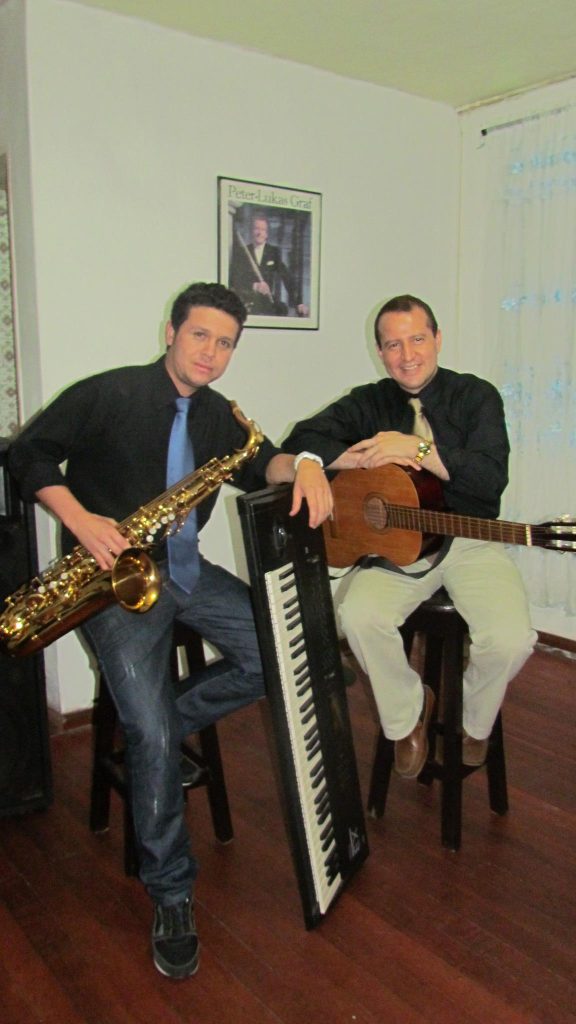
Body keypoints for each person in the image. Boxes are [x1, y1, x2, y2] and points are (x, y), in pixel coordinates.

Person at [8, 281, 332, 980]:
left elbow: (266, 462)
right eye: (200, 335)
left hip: (184, 571)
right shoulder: (109, 393)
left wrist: (304, 465)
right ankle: (172, 892)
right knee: (152, 733)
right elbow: (26, 453)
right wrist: (80, 519)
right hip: (112, 578)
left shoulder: (219, 416)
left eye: (225, 343)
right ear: (171, 332)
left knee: (274, 653)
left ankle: (157, 727)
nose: (211, 352)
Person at [283, 293, 536, 781]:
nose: (407, 355)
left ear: (437, 339)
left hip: (470, 538)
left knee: (510, 640)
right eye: (393, 345)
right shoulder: (370, 400)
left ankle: (473, 721)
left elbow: (489, 482)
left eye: (417, 339)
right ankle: (407, 714)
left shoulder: (475, 396)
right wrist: (320, 463)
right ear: (380, 351)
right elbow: (303, 436)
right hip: (400, 545)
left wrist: (417, 449)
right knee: (358, 616)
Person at [229, 211, 309, 317]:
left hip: (267, 302)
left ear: (267, 234)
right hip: (247, 302)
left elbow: (287, 277)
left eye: (263, 230)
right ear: (252, 231)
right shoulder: (243, 252)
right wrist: (255, 286)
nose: (259, 233)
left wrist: (299, 303)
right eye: (256, 228)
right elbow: (234, 280)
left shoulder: (273, 252)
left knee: (282, 309)